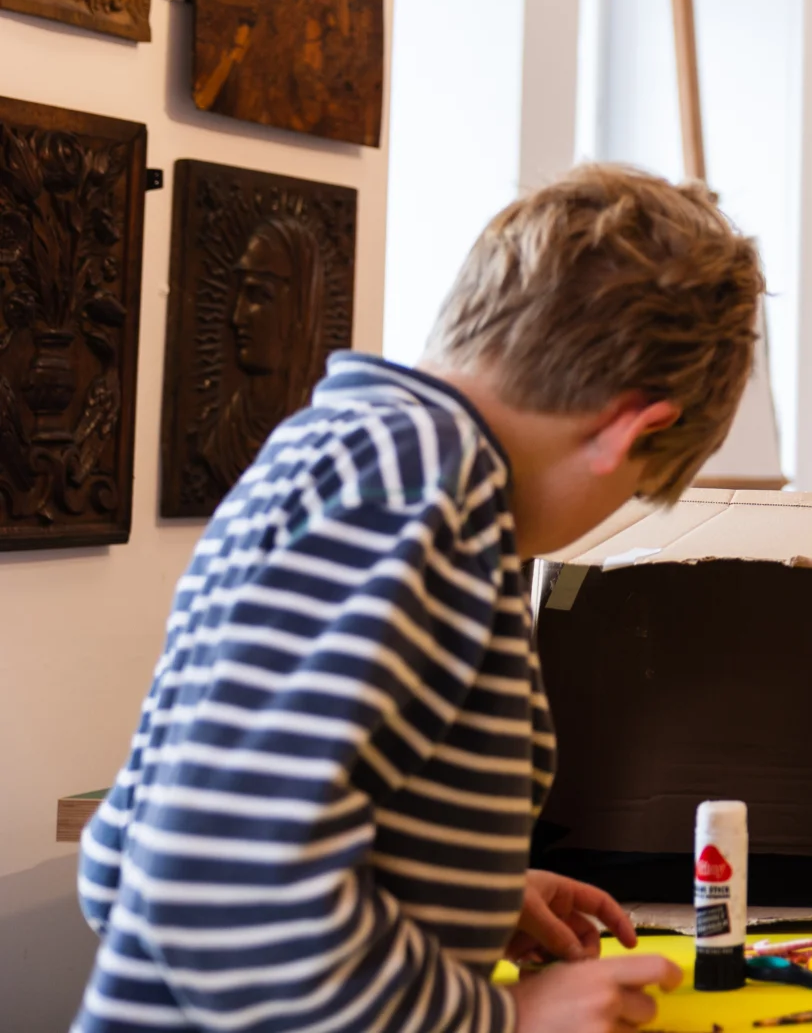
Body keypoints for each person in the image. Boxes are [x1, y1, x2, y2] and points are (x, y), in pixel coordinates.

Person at [78, 165, 767, 1032]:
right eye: (638, 486)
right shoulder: (424, 495)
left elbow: (125, 859)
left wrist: (458, 889)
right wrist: (504, 1018)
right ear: (631, 428)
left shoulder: (330, 451)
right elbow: (219, 893)